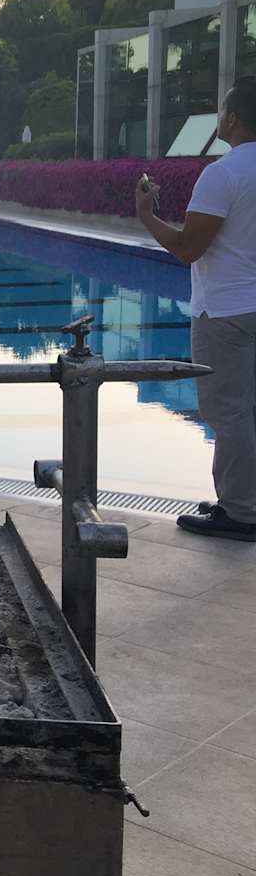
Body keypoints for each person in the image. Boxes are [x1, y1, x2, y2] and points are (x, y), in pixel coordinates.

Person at [136, 75, 256, 541]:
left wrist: (148, 216)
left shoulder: (223, 174)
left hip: (226, 311)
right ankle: (243, 499)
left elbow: (189, 247)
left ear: (233, 118)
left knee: (230, 413)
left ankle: (241, 512)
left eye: (223, 110)